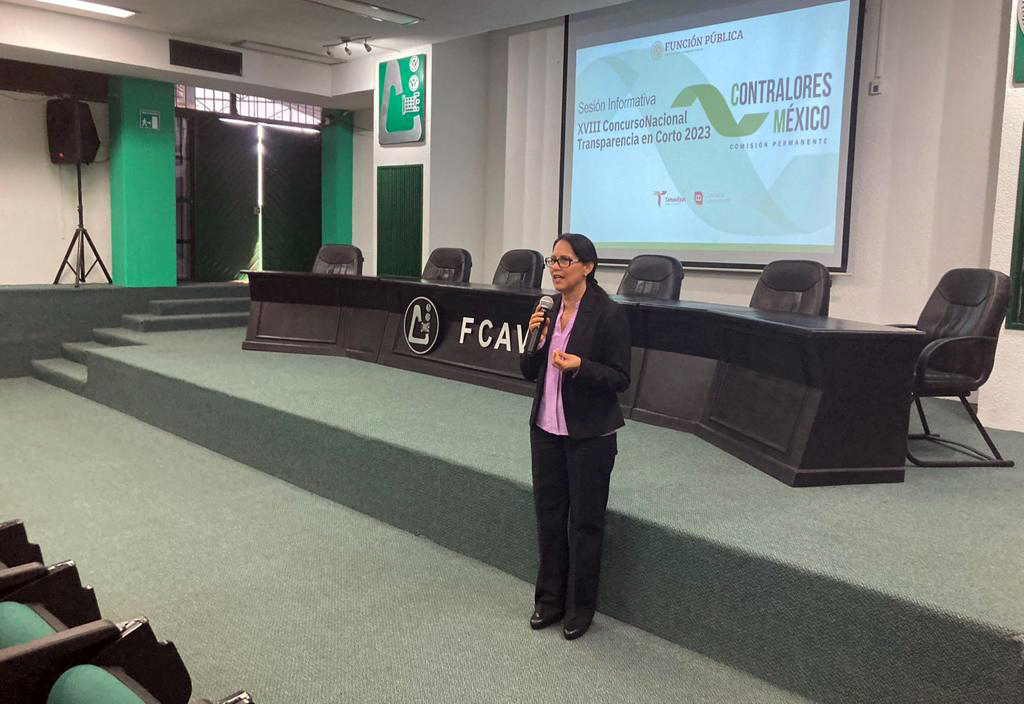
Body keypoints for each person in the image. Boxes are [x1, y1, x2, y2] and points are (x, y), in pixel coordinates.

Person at [520, 233, 631, 640]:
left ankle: (580, 609)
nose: (556, 267)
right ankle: (549, 601)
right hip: (546, 431)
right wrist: (534, 340)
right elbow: (527, 370)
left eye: (564, 260)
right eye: (552, 260)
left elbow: (621, 378)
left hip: (589, 435)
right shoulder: (547, 310)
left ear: (588, 266)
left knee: (584, 523)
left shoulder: (608, 314)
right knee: (549, 518)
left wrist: (581, 366)